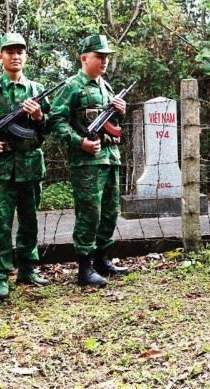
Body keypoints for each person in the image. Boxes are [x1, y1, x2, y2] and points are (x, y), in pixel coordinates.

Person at [0, 33, 51, 300]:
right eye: (10, 52)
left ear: (26, 56)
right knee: (1, 222)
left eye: (20, 52)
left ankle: (27, 268)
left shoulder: (36, 90)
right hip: (1, 168)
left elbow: (49, 126)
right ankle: (1, 275)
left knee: (29, 220)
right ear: (1, 56)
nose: (15, 56)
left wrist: (39, 116)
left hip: (30, 166)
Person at [48, 34, 129, 287]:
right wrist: (79, 141)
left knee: (109, 212)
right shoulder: (71, 87)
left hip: (110, 159)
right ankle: (85, 268)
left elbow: (113, 125)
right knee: (89, 215)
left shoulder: (106, 87)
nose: (104, 61)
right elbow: (55, 121)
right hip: (87, 162)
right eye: (99, 56)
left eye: (106, 57)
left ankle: (102, 260)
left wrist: (121, 113)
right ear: (84, 58)